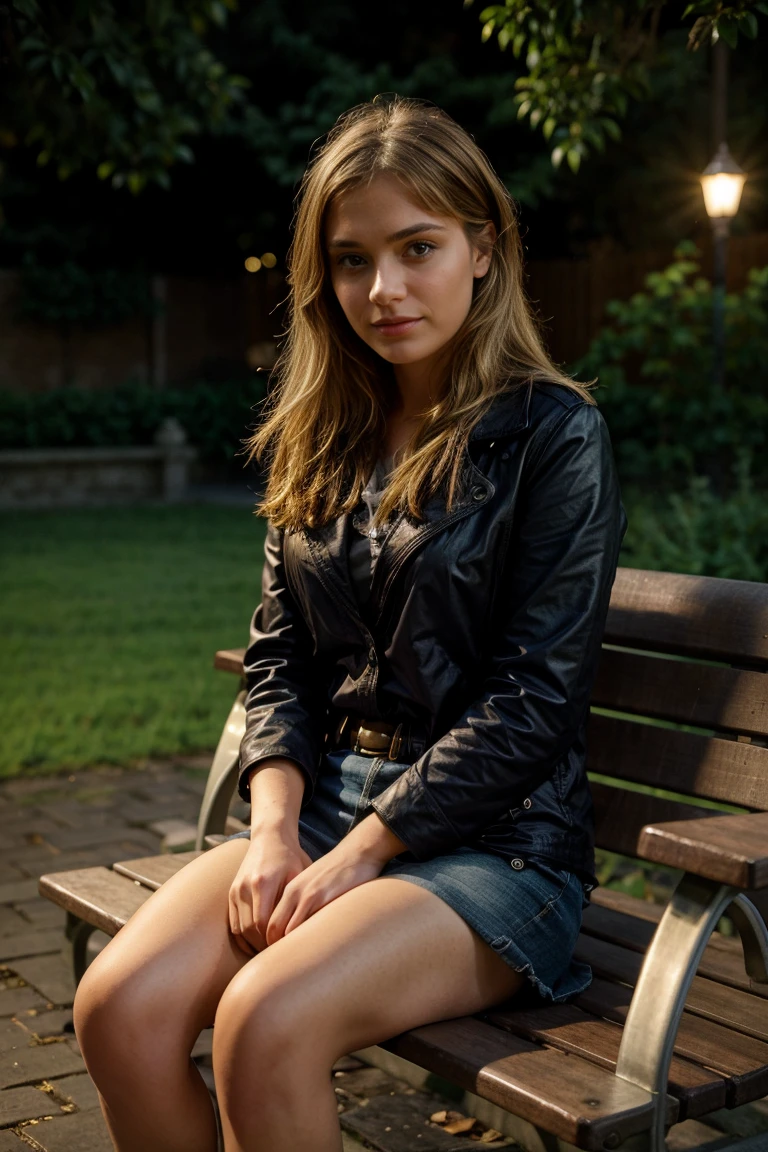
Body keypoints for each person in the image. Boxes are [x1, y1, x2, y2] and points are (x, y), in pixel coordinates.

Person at [72, 96, 626, 1152]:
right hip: (325, 813)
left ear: (485, 249)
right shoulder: (328, 433)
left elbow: (535, 701)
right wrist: (276, 831)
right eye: (352, 259)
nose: (384, 289)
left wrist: (365, 852)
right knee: (119, 1010)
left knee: (265, 1024)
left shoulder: (555, 435)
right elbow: (277, 660)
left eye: (418, 248)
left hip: (498, 854)